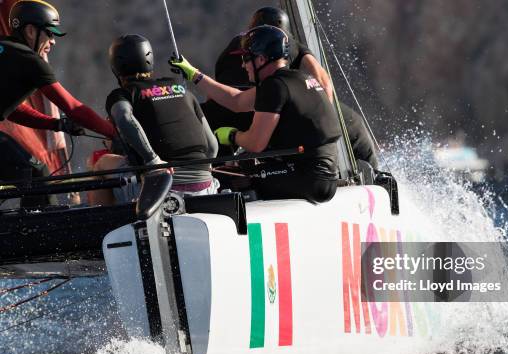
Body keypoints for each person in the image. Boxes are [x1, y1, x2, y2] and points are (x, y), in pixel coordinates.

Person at [170, 25, 340, 203]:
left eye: (246, 58)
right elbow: (237, 101)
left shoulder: (274, 87)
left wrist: (232, 136)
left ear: (261, 59)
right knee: (245, 166)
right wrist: (194, 74)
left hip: (309, 178)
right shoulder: (299, 78)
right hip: (322, 175)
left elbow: (255, 143)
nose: (243, 65)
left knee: (234, 180)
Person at [202, 6, 378, 169]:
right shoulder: (281, 41)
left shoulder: (244, 44)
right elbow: (322, 80)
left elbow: (216, 95)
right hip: (261, 108)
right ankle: (374, 177)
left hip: (244, 109)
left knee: (352, 122)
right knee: (353, 122)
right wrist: (322, 118)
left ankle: (218, 172)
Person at [89, 34, 219, 205]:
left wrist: (153, 160)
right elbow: (212, 147)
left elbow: (124, 117)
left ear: (116, 68)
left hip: (161, 192)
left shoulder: (123, 95)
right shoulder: (180, 89)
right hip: (205, 188)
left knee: (102, 164)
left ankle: (104, 226)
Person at [0, 0, 116, 138]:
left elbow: (10, 108)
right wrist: (115, 133)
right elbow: (74, 109)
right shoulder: (31, 61)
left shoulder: (5, 46)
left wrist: (56, 124)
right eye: (49, 33)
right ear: (30, 31)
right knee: (24, 160)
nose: (53, 41)